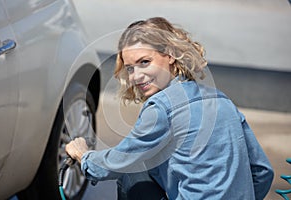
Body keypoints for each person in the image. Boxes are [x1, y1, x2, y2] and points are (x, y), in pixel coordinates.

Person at [65, 17, 274, 200]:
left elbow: (116, 162)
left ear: (170, 55)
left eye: (145, 62)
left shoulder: (162, 108)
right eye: (130, 68)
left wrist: (84, 156)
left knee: (132, 172)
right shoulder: (222, 100)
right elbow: (262, 171)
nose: (136, 76)